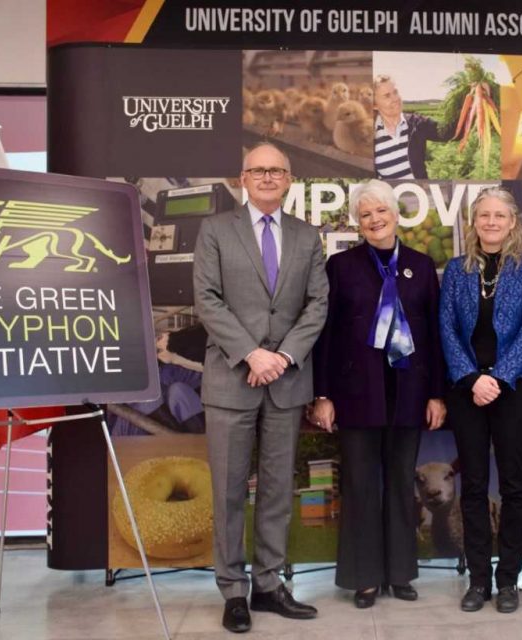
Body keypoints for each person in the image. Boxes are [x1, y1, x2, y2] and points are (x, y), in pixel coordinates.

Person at [193, 142, 329, 634]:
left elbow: (317, 304)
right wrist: (253, 354)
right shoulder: (215, 230)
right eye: (259, 170)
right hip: (232, 378)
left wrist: (283, 357)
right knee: (229, 492)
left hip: (287, 381)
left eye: (277, 170)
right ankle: (233, 590)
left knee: (276, 492)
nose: (268, 177)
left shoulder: (307, 235)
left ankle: (269, 585)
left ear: (290, 179)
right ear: (242, 177)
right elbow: (206, 300)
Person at [312, 179, 447, 609]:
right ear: (357, 221)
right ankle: (364, 578)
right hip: (356, 394)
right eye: (366, 214)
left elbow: (434, 335)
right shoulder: (341, 266)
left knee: (401, 484)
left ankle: (400, 573)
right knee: (360, 486)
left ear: (395, 214)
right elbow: (326, 335)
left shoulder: (422, 266)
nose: (374, 219)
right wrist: (323, 394)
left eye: (381, 211)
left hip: (409, 393)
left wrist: (436, 394)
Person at [439, 186, 522, 614]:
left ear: (513, 222)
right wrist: (471, 378)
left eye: (501, 215)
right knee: (475, 486)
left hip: (514, 388)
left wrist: (497, 377)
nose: (492, 222)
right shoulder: (455, 269)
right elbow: (445, 327)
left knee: (515, 486)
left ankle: (509, 581)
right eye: (485, 215)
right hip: (467, 392)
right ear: (474, 221)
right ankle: (478, 580)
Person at [373, 74, 451, 180]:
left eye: (395, 92)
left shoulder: (416, 123)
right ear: (375, 105)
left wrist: (471, 95)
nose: (395, 98)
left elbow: (449, 132)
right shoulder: (369, 135)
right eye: (387, 96)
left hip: (420, 194)